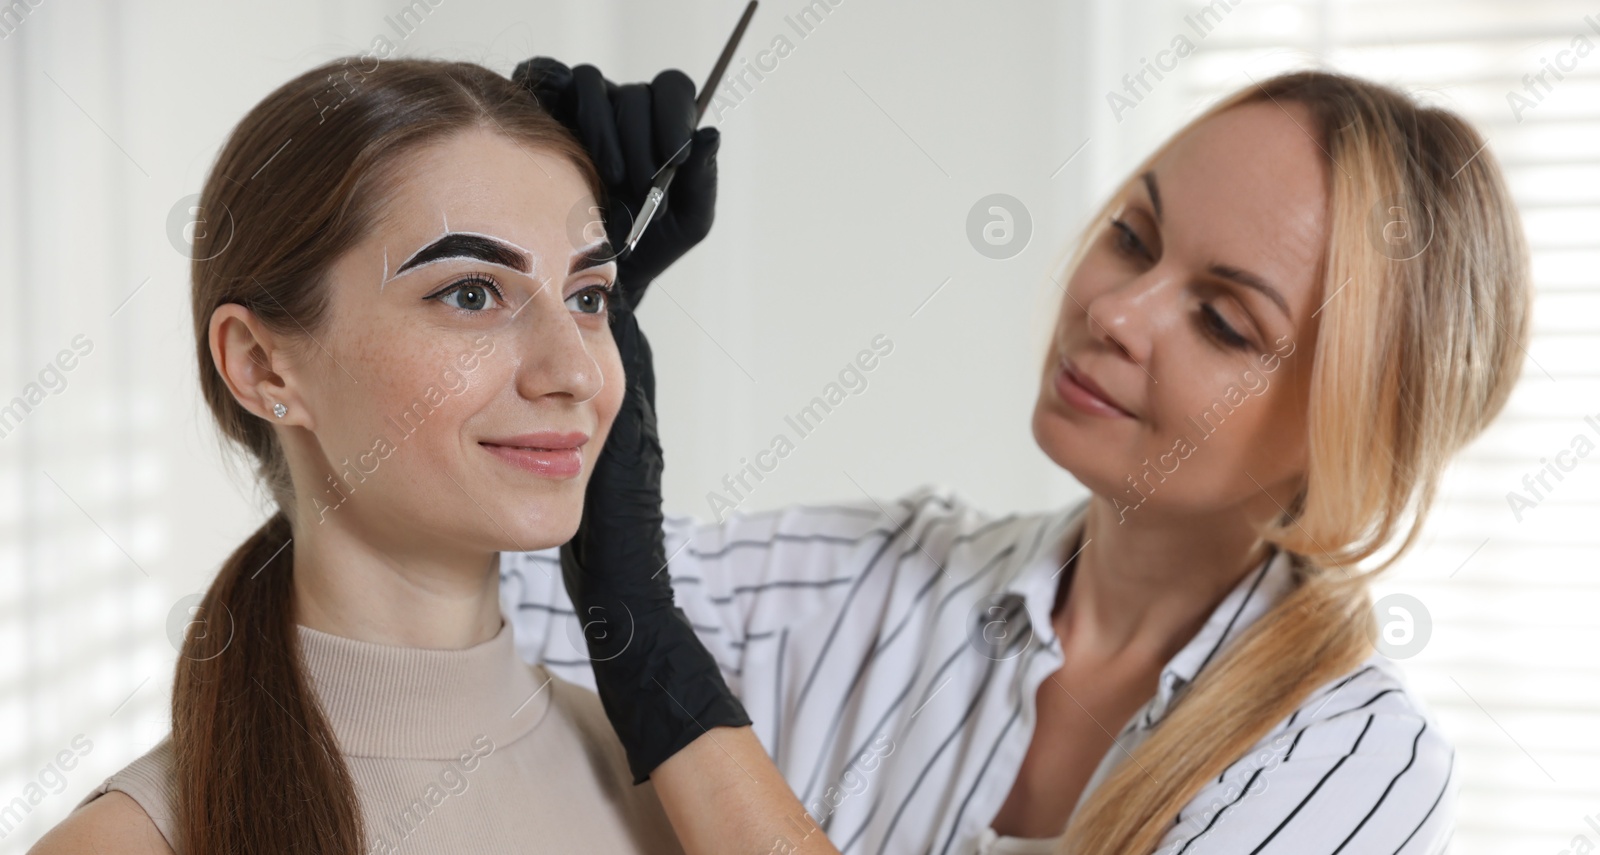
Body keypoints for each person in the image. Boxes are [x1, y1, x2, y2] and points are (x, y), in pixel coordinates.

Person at [505, 61, 1531, 854]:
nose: (1114, 312)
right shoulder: (876, 576)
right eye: (1132, 236)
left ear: (1355, 429)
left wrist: (645, 633)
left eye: (1220, 320)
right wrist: (550, 291)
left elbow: (634, 603)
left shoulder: (1351, 763)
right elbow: (427, 592)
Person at [32, 56, 836, 855]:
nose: (577, 370)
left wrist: (650, 638)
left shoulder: (690, 796)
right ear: (261, 364)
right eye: (472, 293)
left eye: (588, 298)